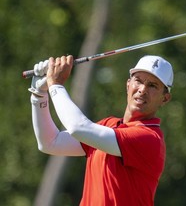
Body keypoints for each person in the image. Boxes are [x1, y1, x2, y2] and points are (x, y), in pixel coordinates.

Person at [29, 54, 174, 205]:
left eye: (152, 86)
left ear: (165, 98)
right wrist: (39, 95)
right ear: (128, 84)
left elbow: (77, 127)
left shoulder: (150, 139)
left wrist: (56, 85)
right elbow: (50, 142)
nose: (142, 90)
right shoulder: (108, 125)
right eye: (138, 80)